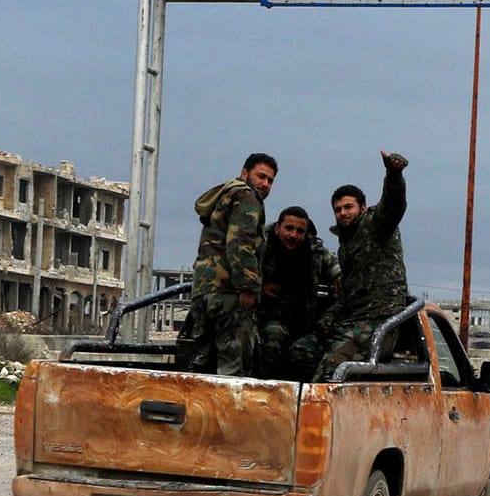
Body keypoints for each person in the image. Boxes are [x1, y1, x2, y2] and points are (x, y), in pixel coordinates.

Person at [175, 152, 275, 375]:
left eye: (270, 180)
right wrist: (248, 288)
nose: (265, 184)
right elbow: (240, 243)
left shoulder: (223, 197)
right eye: (261, 176)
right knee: (233, 372)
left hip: (203, 292)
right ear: (244, 173)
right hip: (228, 294)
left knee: (204, 367)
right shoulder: (247, 197)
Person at [316, 150, 410, 380]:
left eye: (348, 207)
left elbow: (393, 204)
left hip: (379, 320)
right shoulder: (345, 244)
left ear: (363, 208)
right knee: (301, 352)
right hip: (352, 318)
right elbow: (349, 291)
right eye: (338, 209)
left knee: (330, 371)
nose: (342, 213)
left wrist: (394, 174)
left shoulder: (375, 225)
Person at [256, 206, 340, 380]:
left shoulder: (314, 252)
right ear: (278, 228)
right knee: (273, 340)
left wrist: (339, 277)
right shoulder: (262, 248)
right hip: (268, 320)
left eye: (300, 231)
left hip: (304, 323)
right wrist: (260, 288)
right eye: (289, 228)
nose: (293, 235)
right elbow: (242, 274)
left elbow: (335, 266)